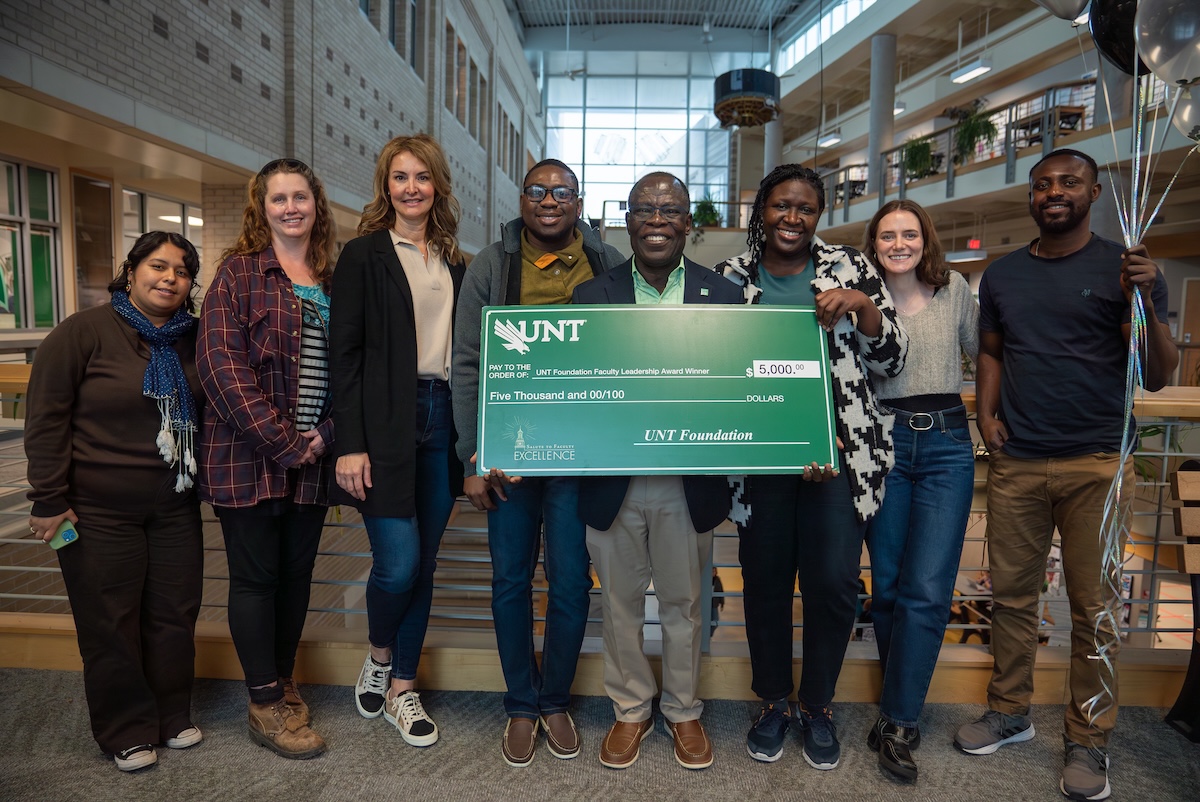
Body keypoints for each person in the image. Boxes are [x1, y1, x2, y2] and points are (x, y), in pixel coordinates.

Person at [953, 148, 1177, 802]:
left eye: (1069, 182)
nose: (1054, 192)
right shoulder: (1001, 275)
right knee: (1013, 599)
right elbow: (993, 351)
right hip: (1018, 461)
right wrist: (987, 415)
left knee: (1094, 608)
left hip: (1098, 464)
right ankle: (1009, 712)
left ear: (1095, 190)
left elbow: (1160, 375)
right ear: (1031, 195)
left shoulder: (1126, 269)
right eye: (1043, 183)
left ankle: (1089, 738)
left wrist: (1147, 300)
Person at [712, 163, 906, 770]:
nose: (791, 219)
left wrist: (863, 308)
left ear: (817, 216)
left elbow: (892, 358)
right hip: (760, 459)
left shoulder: (850, 268)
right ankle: (773, 701)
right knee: (765, 586)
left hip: (838, 458)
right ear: (760, 211)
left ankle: (817, 705)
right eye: (780, 207)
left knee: (832, 587)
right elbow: (712, 367)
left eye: (804, 209)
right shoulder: (731, 276)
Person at [452, 159, 624, 766]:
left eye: (561, 191)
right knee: (509, 581)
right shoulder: (491, 265)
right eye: (537, 190)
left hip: (580, 458)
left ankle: (555, 699)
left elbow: (623, 358)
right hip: (509, 456)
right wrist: (472, 452)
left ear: (579, 202)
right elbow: (469, 362)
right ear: (521, 198)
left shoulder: (606, 262)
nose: (549, 200)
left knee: (573, 581)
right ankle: (521, 704)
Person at [572, 171, 743, 771]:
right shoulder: (592, 298)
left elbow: (736, 387)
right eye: (644, 209)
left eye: (670, 210)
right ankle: (630, 711)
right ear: (627, 219)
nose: (657, 220)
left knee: (684, 602)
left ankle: (684, 710)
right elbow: (572, 391)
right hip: (612, 478)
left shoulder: (721, 298)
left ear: (688, 223)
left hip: (687, 480)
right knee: (617, 603)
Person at [26, 231, 204, 771]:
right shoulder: (83, 333)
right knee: (110, 620)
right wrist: (48, 498)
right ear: (131, 272)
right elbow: (47, 418)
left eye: (182, 270)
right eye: (157, 265)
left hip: (174, 507)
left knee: (174, 615)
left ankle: (171, 715)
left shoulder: (195, 339)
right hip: (96, 511)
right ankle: (126, 729)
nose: (169, 277)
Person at [198, 158, 336, 760]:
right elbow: (219, 369)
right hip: (249, 455)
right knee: (255, 580)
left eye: (300, 196)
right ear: (262, 207)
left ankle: (282, 680)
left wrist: (325, 435)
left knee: (297, 578)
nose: (290, 207)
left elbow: (351, 369)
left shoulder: (335, 278)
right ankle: (262, 704)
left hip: (314, 458)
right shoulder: (237, 274)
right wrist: (285, 441)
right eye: (278, 198)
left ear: (316, 204)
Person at [333, 134, 465, 748]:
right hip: (385, 417)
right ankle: (380, 651)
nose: (410, 187)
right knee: (400, 563)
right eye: (398, 177)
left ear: (436, 184)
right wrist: (349, 443)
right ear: (385, 186)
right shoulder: (363, 255)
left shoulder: (455, 261)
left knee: (427, 563)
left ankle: (402, 689)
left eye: (421, 177)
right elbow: (345, 356)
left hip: (443, 417)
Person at [861, 199, 979, 781]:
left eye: (909, 233)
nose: (899, 244)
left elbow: (986, 351)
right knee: (885, 589)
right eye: (888, 235)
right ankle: (895, 709)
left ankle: (900, 721)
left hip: (947, 446)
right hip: (882, 441)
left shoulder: (953, 286)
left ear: (924, 237)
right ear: (874, 242)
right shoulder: (862, 292)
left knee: (927, 590)